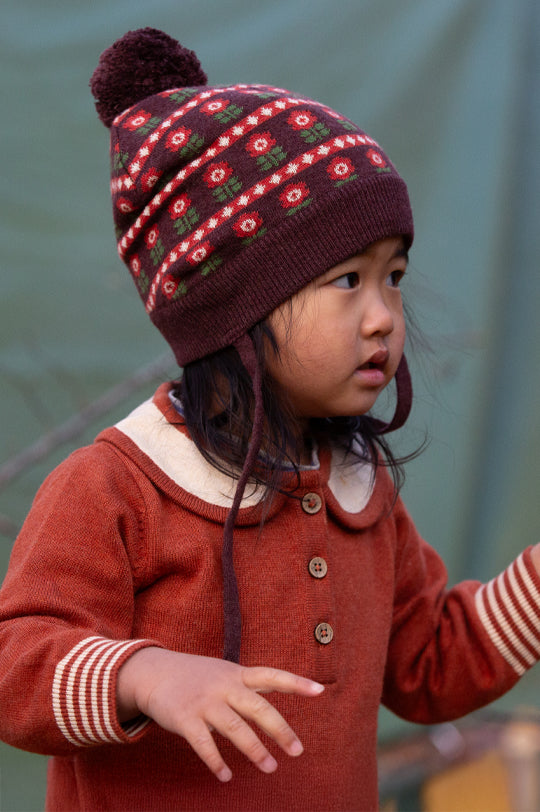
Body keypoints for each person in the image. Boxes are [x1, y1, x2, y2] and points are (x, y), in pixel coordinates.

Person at [0, 27, 538, 812]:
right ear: (233, 305)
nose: (386, 316)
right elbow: (16, 661)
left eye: (394, 278)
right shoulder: (118, 486)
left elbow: (429, 664)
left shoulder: (361, 489)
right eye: (349, 279)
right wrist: (141, 674)